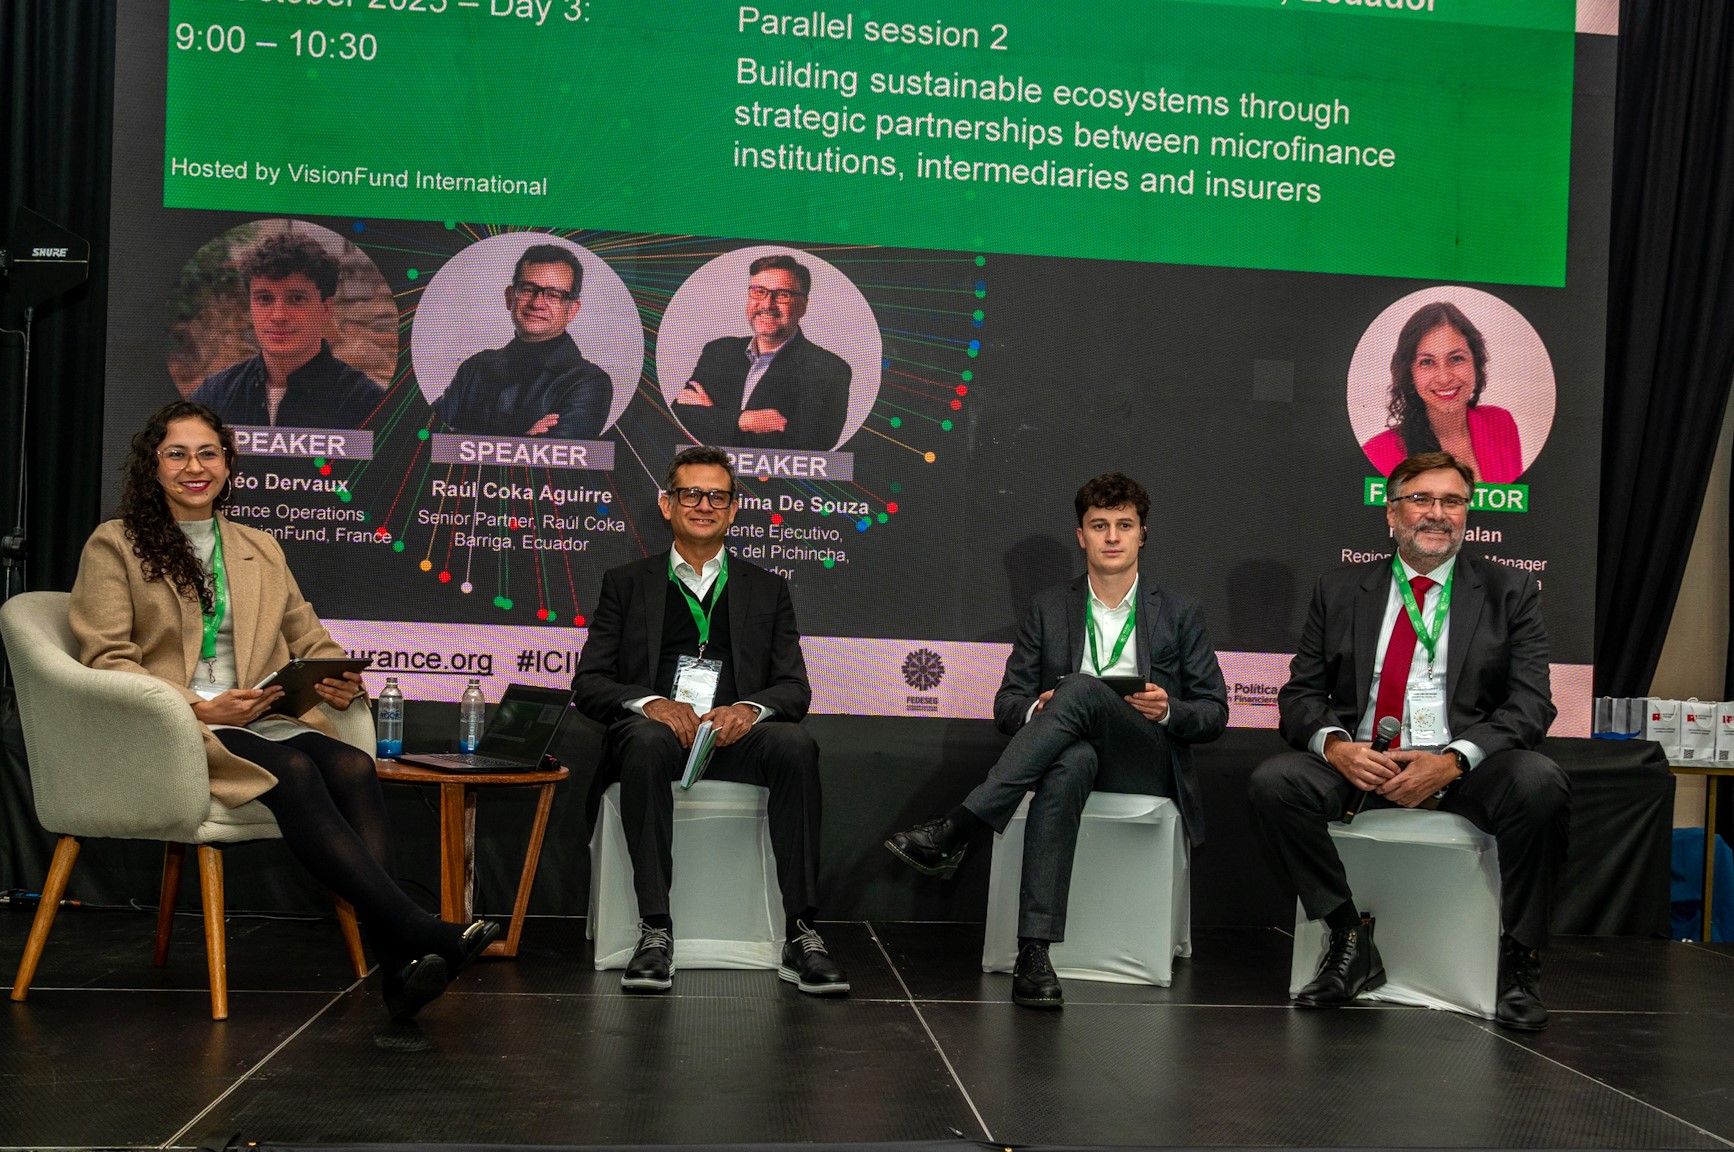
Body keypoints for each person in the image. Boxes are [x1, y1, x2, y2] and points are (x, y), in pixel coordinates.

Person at [68, 401, 498, 1022]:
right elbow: (107, 658)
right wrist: (199, 706)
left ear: (227, 463)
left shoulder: (258, 547)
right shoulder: (115, 545)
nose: (195, 467)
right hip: (173, 725)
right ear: (152, 466)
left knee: (352, 765)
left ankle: (400, 968)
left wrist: (337, 677)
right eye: (176, 454)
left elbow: (308, 635)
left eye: (208, 453)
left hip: (257, 715)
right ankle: (415, 933)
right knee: (294, 771)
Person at [1248, 451, 1568, 1031]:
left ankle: (1520, 960)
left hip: (1462, 768)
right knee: (1275, 783)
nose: (1438, 513)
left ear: (1467, 514)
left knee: (1539, 782)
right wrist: (1338, 749)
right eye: (1421, 499)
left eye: (1452, 501)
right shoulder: (1340, 589)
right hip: (1363, 764)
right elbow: (1300, 696)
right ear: (1391, 514)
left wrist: (1454, 760)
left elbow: (1530, 704)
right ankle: (1349, 938)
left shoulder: (1510, 590)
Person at [884, 473, 1228, 1009]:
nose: (1111, 537)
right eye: (1099, 525)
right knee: (1069, 761)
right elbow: (1008, 704)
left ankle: (960, 825)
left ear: (1142, 535)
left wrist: (1168, 709)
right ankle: (1034, 953)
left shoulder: (1180, 612)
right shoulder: (1047, 608)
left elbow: (1213, 712)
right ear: (1080, 536)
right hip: (1071, 752)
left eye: (1124, 525)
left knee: (1083, 688)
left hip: (1142, 758)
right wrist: (1038, 710)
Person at [572, 445, 847, 995]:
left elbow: (794, 688)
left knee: (794, 745)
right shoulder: (625, 583)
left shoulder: (766, 588)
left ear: (733, 508)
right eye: (691, 494)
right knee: (646, 741)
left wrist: (748, 709)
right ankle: (655, 930)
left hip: (733, 739)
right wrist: (651, 704)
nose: (704, 505)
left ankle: (801, 932)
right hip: (656, 738)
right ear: (667, 504)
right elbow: (590, 683)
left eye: (717, 496)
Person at [190, 233, 387, 429]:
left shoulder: (365, 404)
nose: (278, 316)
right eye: (265, 299)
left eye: (296, 299)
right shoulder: (213, 396)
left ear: (326, 308)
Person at [431, 244, 612, 440]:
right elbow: (426, 437)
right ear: (510, 297)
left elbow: (552, 460)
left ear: (572, 310)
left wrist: (460, 437)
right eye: (527, 290)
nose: (537, 303)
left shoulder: (589, 383)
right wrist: (523, 439)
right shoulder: (474, 368)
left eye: (553, 295)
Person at [673, 254, 852, 451]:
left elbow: (805, 450)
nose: (767, 305)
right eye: (759, 292)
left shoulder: (829, 370)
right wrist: (743, 421)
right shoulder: (718, 352)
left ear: (802, 306)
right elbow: (678, 419)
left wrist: (713, 418)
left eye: (782, 295)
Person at [1361, 302, 1524, 483]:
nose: (1444, 378)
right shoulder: (1377, 453)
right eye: (1427, 362)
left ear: (1476, 363)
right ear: (1410, 373)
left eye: (1456, 358)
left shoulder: (1501, 423)